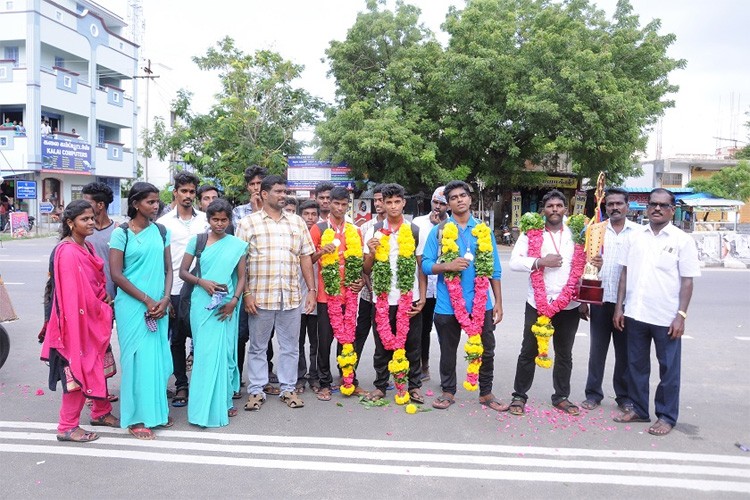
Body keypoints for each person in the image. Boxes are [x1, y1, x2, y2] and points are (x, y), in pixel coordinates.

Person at [612, 188, 701, 436]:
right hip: (636, 314)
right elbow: (625, 274)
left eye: (663, 205)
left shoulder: (682, 240)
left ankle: (667, 416)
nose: (657, 209)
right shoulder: (636, 237)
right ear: (647, 207)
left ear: (672, 210)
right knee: (636, 366)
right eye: (653, 204)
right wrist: (619, 307)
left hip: (666, 317)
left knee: (669, 370)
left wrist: (680, 315)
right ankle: (639, 409)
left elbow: (687, 282)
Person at [421, 181, 505, 411]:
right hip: (448, 304)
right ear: (448, 204)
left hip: (481, 303)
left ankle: (486, 393)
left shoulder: (483, 231)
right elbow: (426, 265)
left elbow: (495, 269)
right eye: (454, 197)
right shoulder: (438, 231)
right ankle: (448, 392)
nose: (459, 200)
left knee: (487, 349)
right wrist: (447, 265)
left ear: (470, 199)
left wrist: (498, 301)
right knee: (448, 350)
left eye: (463, 195)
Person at [236, 175, 317, 411]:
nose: (284, 195)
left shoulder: (297, 223)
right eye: (279, 192)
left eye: (285, 191)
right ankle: (256, 391)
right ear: (264, 194)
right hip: (259, 297)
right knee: (258, 347)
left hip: (290, 296)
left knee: (290, 346)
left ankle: (288, 389)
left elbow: (305, 258)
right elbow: (241, 262)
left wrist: (311, 290)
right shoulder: (248, 224)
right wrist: (247, 293)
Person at [40, 201, 118, 443]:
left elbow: (94, 283)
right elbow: (71, 296)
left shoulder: (87, 247)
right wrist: (101, 307)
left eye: (92, 218)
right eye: (85, 219)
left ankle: (100, 412)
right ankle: (67, 426)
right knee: (76, 371)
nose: (91, 223)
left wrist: (104, 296)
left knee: (98, 366)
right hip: (75, 324)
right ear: (70, 223)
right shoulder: (67, 252)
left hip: (92, 318)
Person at [508, 189, 582, 416]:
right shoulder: (531, 232)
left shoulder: (578, 232)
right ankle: (519, 396)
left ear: (565, 209)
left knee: (564, 353)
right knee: (528, 350)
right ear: (543, 210)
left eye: (559, 206)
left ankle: (561, 396)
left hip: (569, 303)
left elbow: (586, 261)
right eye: (550, 206)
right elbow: (514, 262)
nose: (555, 210)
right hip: (537, 301)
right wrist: (540, 261)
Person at [110, 182, 173, 440]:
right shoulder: (121, 233)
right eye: (150, 202)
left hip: (159, 304)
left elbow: (169, 269)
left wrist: (166, 298)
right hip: (133, 306)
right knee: (135, 360)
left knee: (155, 359)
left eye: (157, 201)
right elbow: (116, 274)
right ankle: (136, 418)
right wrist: (147, 300)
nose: (156, 206)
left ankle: (155, 412)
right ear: (136, 204)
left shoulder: (161, 231)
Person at [179, 199, 247, 427]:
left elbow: (241, 277)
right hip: (202, 304)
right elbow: (182, 272)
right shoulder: (197, 241)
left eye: (223, 220)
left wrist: (234, 302)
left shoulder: (237, 244)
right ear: (208, 220)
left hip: (227, 306)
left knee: (226, 354)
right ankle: (201, 409)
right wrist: (203, 282)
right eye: (215, 219)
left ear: (230, 220)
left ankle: (224, 402)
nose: (219, 224)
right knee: (206, 356)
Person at [363, 183, 427, 403]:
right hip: (381, 298)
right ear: (382, 204)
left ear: (403, 202)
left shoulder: (414, 231)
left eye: (396, 201)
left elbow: (421, 267)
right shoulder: (373, 231)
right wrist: (371, 252)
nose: (392, 206)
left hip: (408, 298)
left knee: (412, 345)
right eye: (387, 202)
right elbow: (366, 269)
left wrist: (423, 297)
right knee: (381, 346)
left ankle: (414, 386)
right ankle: (381, 385)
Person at [579, 188, 638, 412]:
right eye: (610, 204)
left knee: (624, 352)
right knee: (597, 351)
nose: (614, 207)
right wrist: (583, 299)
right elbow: (582, 266)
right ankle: (593, 394)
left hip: (627, 303)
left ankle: (623, 396)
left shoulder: (638, 233)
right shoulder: (595, 231)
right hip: (599, 300)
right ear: (605, 207)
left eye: (619, 203)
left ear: (627, 206)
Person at [310, 186, 366, 401]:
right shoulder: (319, 228)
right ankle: (324, 383)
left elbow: (359, 261)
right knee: (324, 340)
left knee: (348, 339)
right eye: (336, 203)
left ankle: (348, 377)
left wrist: (361, 281)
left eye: (344, 204)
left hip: (349, 294)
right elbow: (307, 259)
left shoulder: (355, 230)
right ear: (329, 203)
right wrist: (321, 252)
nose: (340, 208)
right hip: (327, 294)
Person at [157, 172, 207, 408]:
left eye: (191, 192)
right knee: (177, 340)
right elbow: (160, 263)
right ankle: (181, 385)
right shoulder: (163, 223)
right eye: (183, 191)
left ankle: (202, 386)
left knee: (202, 339)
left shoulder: (206, 220)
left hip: (204, 289)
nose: (188, 196)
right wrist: (164, 296)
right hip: (175, 289)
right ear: (174, 192)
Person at [231, 165, 276, 389]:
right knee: (241, 335)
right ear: (248, 187)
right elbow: (237, 248)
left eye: (260, 184)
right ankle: (236, 378)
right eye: (253, 185)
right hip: (243, 283)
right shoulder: (238, 212)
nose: (256, 188)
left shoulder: (278, 213)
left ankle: (265, 377)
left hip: (267, 284)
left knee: (264, 337)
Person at [411, 186, 448, 381]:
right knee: (422, 329)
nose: (438, 207)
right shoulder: (418, 223)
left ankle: (446, 372)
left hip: (444, 287)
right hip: (422, 285)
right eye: (436, 202)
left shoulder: (452, 225)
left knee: (445, 329)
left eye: (442, 204)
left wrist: (438, 227)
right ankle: (422, 365)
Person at [353, 185, 385, 382]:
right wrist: (366, 281)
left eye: (384, 200)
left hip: (388, 293)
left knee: (383, 333)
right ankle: (349, 371)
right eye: (378, 200)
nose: (380, 204)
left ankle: (383, 377)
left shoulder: (403, 227)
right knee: (361, 330)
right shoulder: (366, 228)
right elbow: (359, 261)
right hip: (368, 291)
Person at [297, 200, 321, 393]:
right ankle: (299, 377)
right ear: (300, 216)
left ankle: (314, 376)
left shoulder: (323, 236)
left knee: (316, 341)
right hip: (296, 298)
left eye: (314, 214)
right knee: (297, 341)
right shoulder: (294, 236)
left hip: (317, 296)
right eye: (306, 214)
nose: (310, 218)